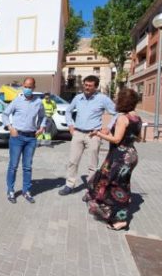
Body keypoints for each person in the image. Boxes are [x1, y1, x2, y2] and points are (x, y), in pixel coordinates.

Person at [84, 89, 142, 231]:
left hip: (120, 157)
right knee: (116, 183)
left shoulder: (123, 118)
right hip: (131, 154)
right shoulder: (137, 118)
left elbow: (116, 139)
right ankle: (109, 209)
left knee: (117, 188)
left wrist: (98, 134)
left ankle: (120, 220)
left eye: (118, 99)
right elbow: (139, 138)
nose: (115, 101)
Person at [58, 75, 116, 196]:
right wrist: (70, 125)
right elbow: (68, 111)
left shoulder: (103, 99)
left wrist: (107, 128)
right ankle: (69, 184)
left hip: (93, 134)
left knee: (92, 163)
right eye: (85, 85)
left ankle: (91, 188)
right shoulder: (78, 98)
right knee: (73, 161)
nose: (87, 87)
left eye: (90, 85)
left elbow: (116, 113)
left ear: (96, 87)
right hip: (78, 133)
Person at [1, 77, 46, 204]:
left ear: (34, 87)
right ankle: (10, 190)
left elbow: (43, 116)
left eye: (30, 87)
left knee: (27, 167)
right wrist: (10, 127)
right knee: (13, 166)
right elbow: (5, 114)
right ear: (23, 87)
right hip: (17, 137)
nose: (27, 89)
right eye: (25, 87)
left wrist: (41, 127)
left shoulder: (38, 102)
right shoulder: (17, 101)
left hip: (31, 138)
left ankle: (26, 191)